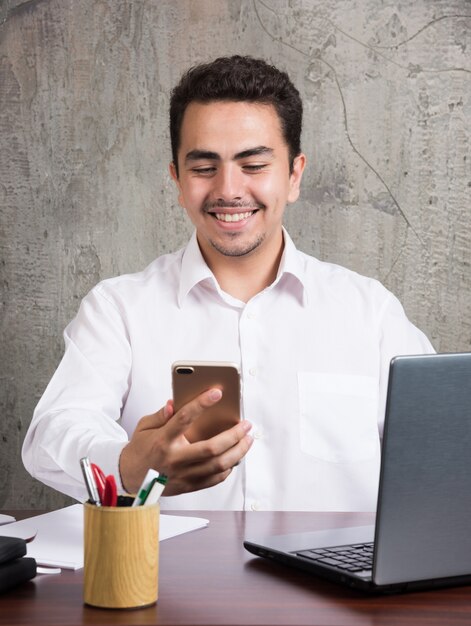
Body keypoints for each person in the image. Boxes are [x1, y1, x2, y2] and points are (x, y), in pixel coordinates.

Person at [22, 56, 434, 511]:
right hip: (168, 581)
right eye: (203, 168)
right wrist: (127, 465)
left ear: (294, 175)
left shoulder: (370, 313)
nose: (228, 189)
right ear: (177, 179)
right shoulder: (118, 309)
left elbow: (443, 445)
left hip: (333, 583)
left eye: (253, 164)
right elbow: (52, 434)